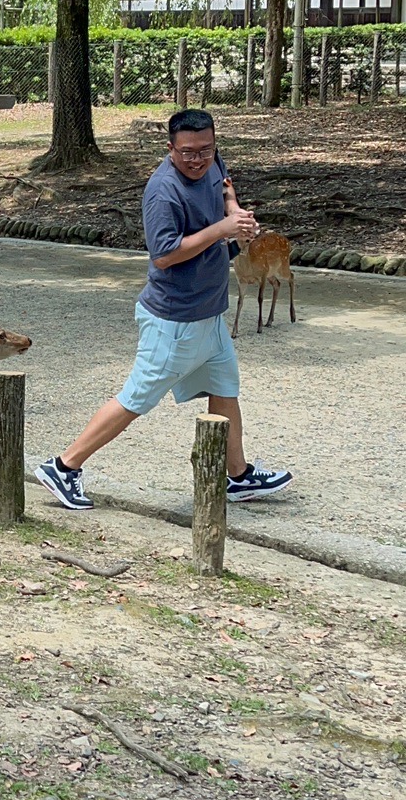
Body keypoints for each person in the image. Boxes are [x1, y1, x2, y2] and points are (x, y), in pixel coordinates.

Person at [34, 108, 293, 512]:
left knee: (225, 389)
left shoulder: (212, 161)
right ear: (170, 148)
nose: (197, 160)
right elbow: (165, 255)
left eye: (205, 151)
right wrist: (223, 231)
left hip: (209, 314)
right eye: (187, 152)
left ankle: (238, 475)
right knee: (136, 397)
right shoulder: (162, 191)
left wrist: (234, 211)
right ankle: (64, 466)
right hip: (174, 319)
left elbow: (224, 186)